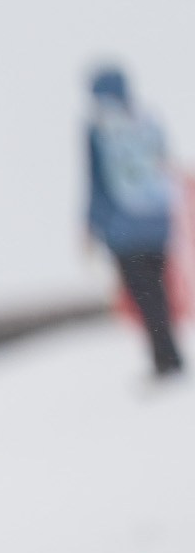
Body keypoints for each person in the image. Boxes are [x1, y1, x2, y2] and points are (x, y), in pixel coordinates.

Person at [85, 64, 183, 379]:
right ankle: (170, 355)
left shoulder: (99, 127)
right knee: (158, 292)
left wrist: (92, 224)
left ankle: (164, 360)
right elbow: (165, 165)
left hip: (124, 228)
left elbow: (96, 181)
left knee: (144, 295)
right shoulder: (147, 120)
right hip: (158, 221)